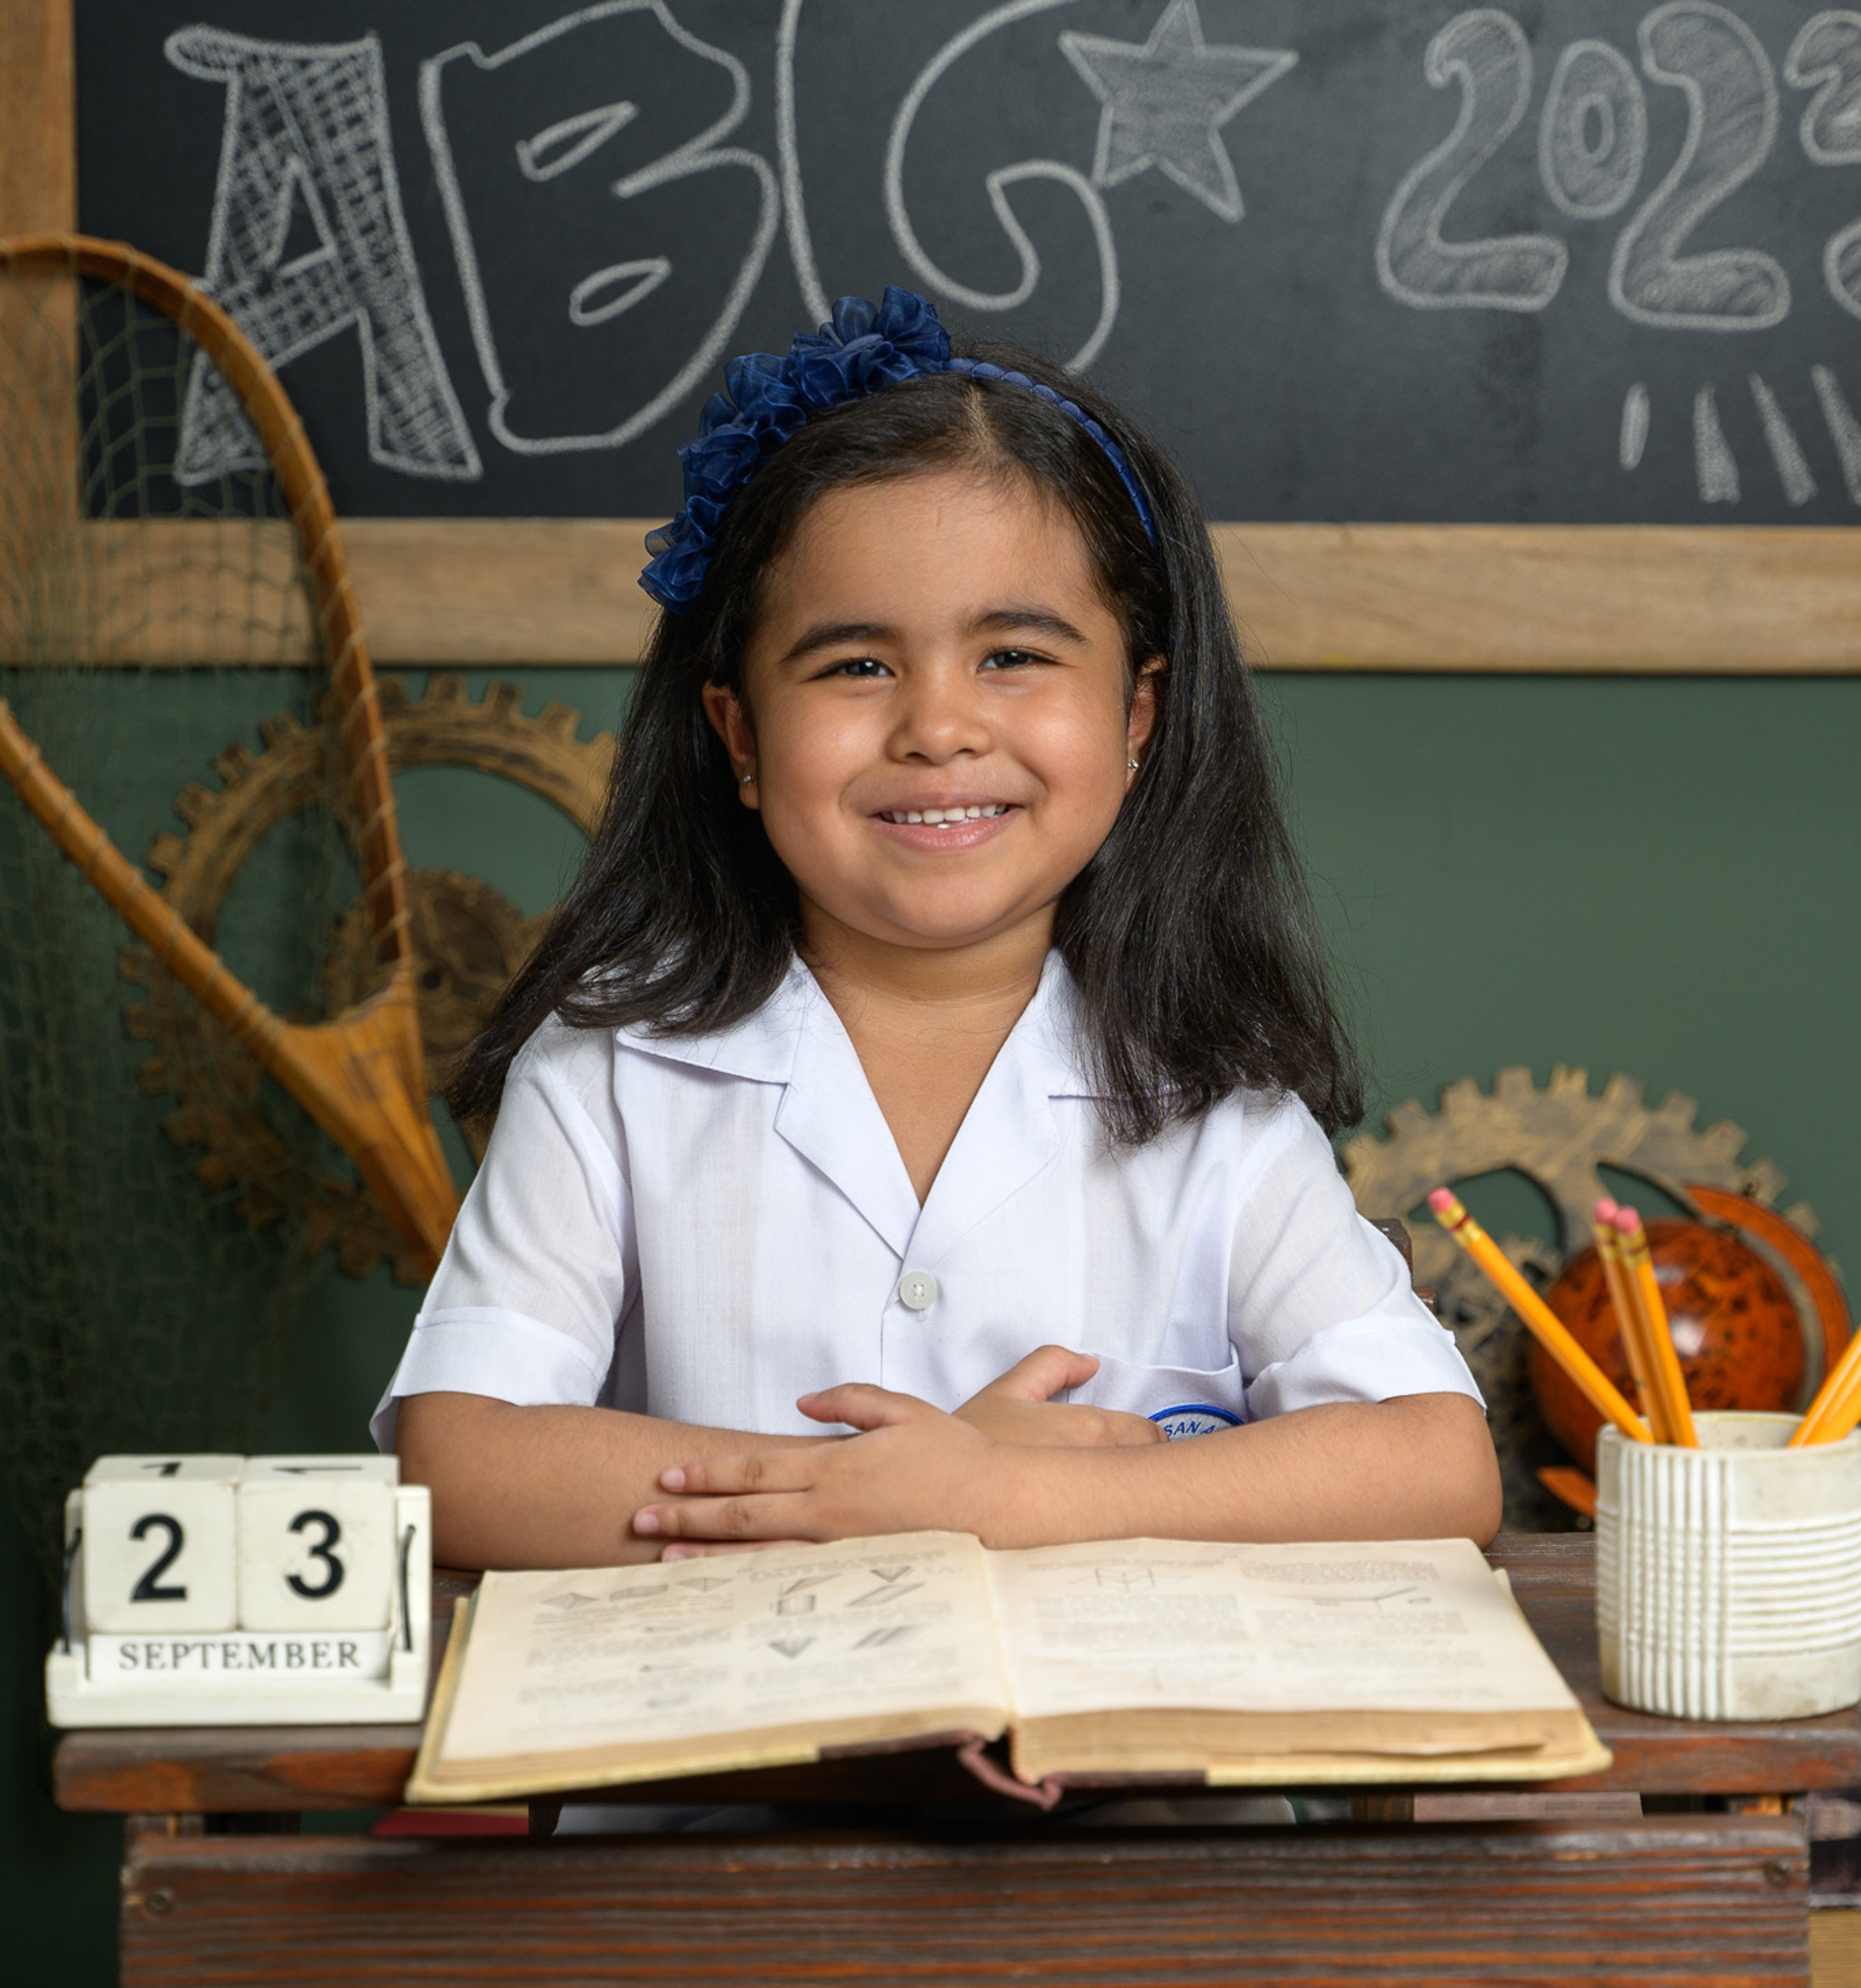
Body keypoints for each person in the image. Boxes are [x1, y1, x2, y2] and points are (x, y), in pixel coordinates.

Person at [379, 288, 1495, 1570]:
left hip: (1128, 1767)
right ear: (739, 738)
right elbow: (460, 1463)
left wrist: (1023, 1501)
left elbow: (1431, 1462)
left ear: (1138, 719)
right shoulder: (612, 1068)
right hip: (731, 1761)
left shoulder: (1213, 1105)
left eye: (1013, 656)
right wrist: (872, 1497)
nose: (938, 727)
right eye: (856, 665)